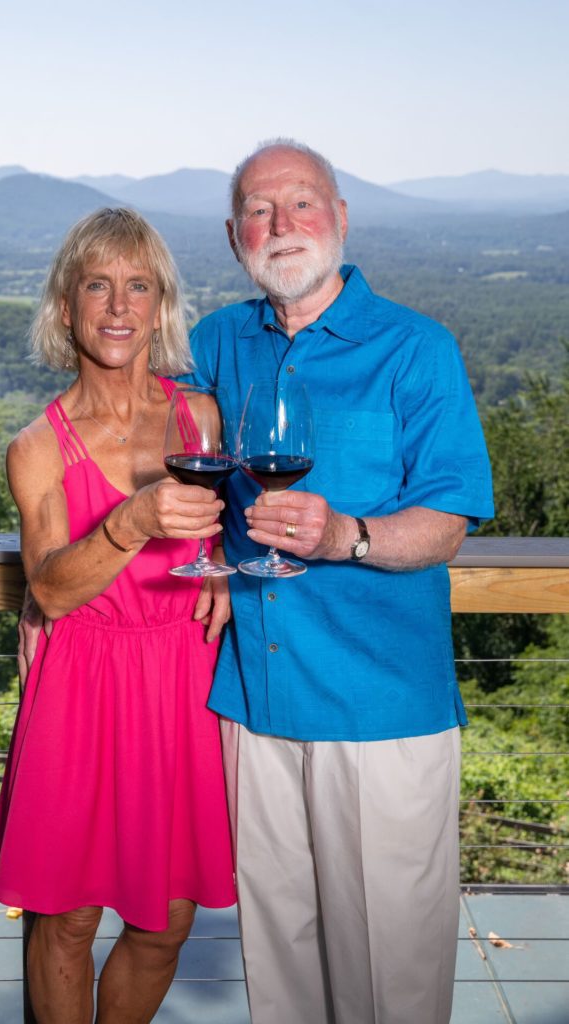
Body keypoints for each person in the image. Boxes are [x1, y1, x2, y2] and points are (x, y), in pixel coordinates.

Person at [186, 140, 495, 1024]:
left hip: (382, 716)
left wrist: (347, 535)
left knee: (390, 976)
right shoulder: (215, 340)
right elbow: (147, 436)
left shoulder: (415, 349)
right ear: (233, 232)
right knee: (277, 967)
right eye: (257, 209)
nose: (280, 226)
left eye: (302, 203)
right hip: (254, 704)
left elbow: (444, 523)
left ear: (341, 218)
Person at [0, 207, 236, 1024]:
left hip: (178, 685)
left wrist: (228, 570)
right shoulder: (36, 445)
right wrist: (131, 520)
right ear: (66, 307)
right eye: (98, 285)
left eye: (139, 286)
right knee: (66, 920)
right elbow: (53, 589)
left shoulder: (197, 418)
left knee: (165, 924)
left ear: (161, 306)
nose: (119, 307)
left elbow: (231, 530)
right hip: (82, 687)